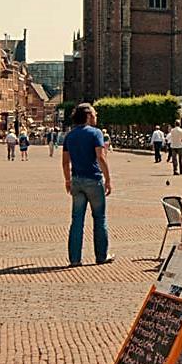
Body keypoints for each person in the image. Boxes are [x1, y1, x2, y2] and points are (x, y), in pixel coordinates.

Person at [62, 103, 113, 267]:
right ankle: (101, 256)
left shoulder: (69, 135)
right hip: (93, 179)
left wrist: (68, 180)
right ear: (88, 116)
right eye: (95, 114)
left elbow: (65, 162)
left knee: (77, 220)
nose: (96, 116)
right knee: (99, 218)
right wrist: (108, 178)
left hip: (76, 180)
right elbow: (100, 157)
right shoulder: (95, 133)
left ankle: (75, 259)